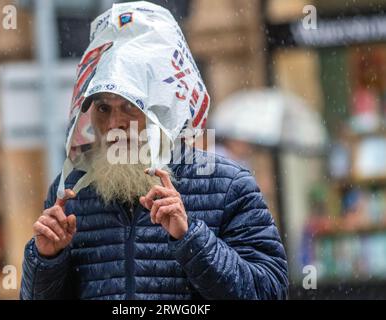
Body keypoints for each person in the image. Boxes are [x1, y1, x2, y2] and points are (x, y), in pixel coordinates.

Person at [20, 2, 288, 300]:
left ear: (163, 109)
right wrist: (45, 259)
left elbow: (270, 292)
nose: (114, 124)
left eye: (130, 107)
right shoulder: (69, 192)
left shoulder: (228, 185)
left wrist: (190, 238)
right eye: (103, 108)